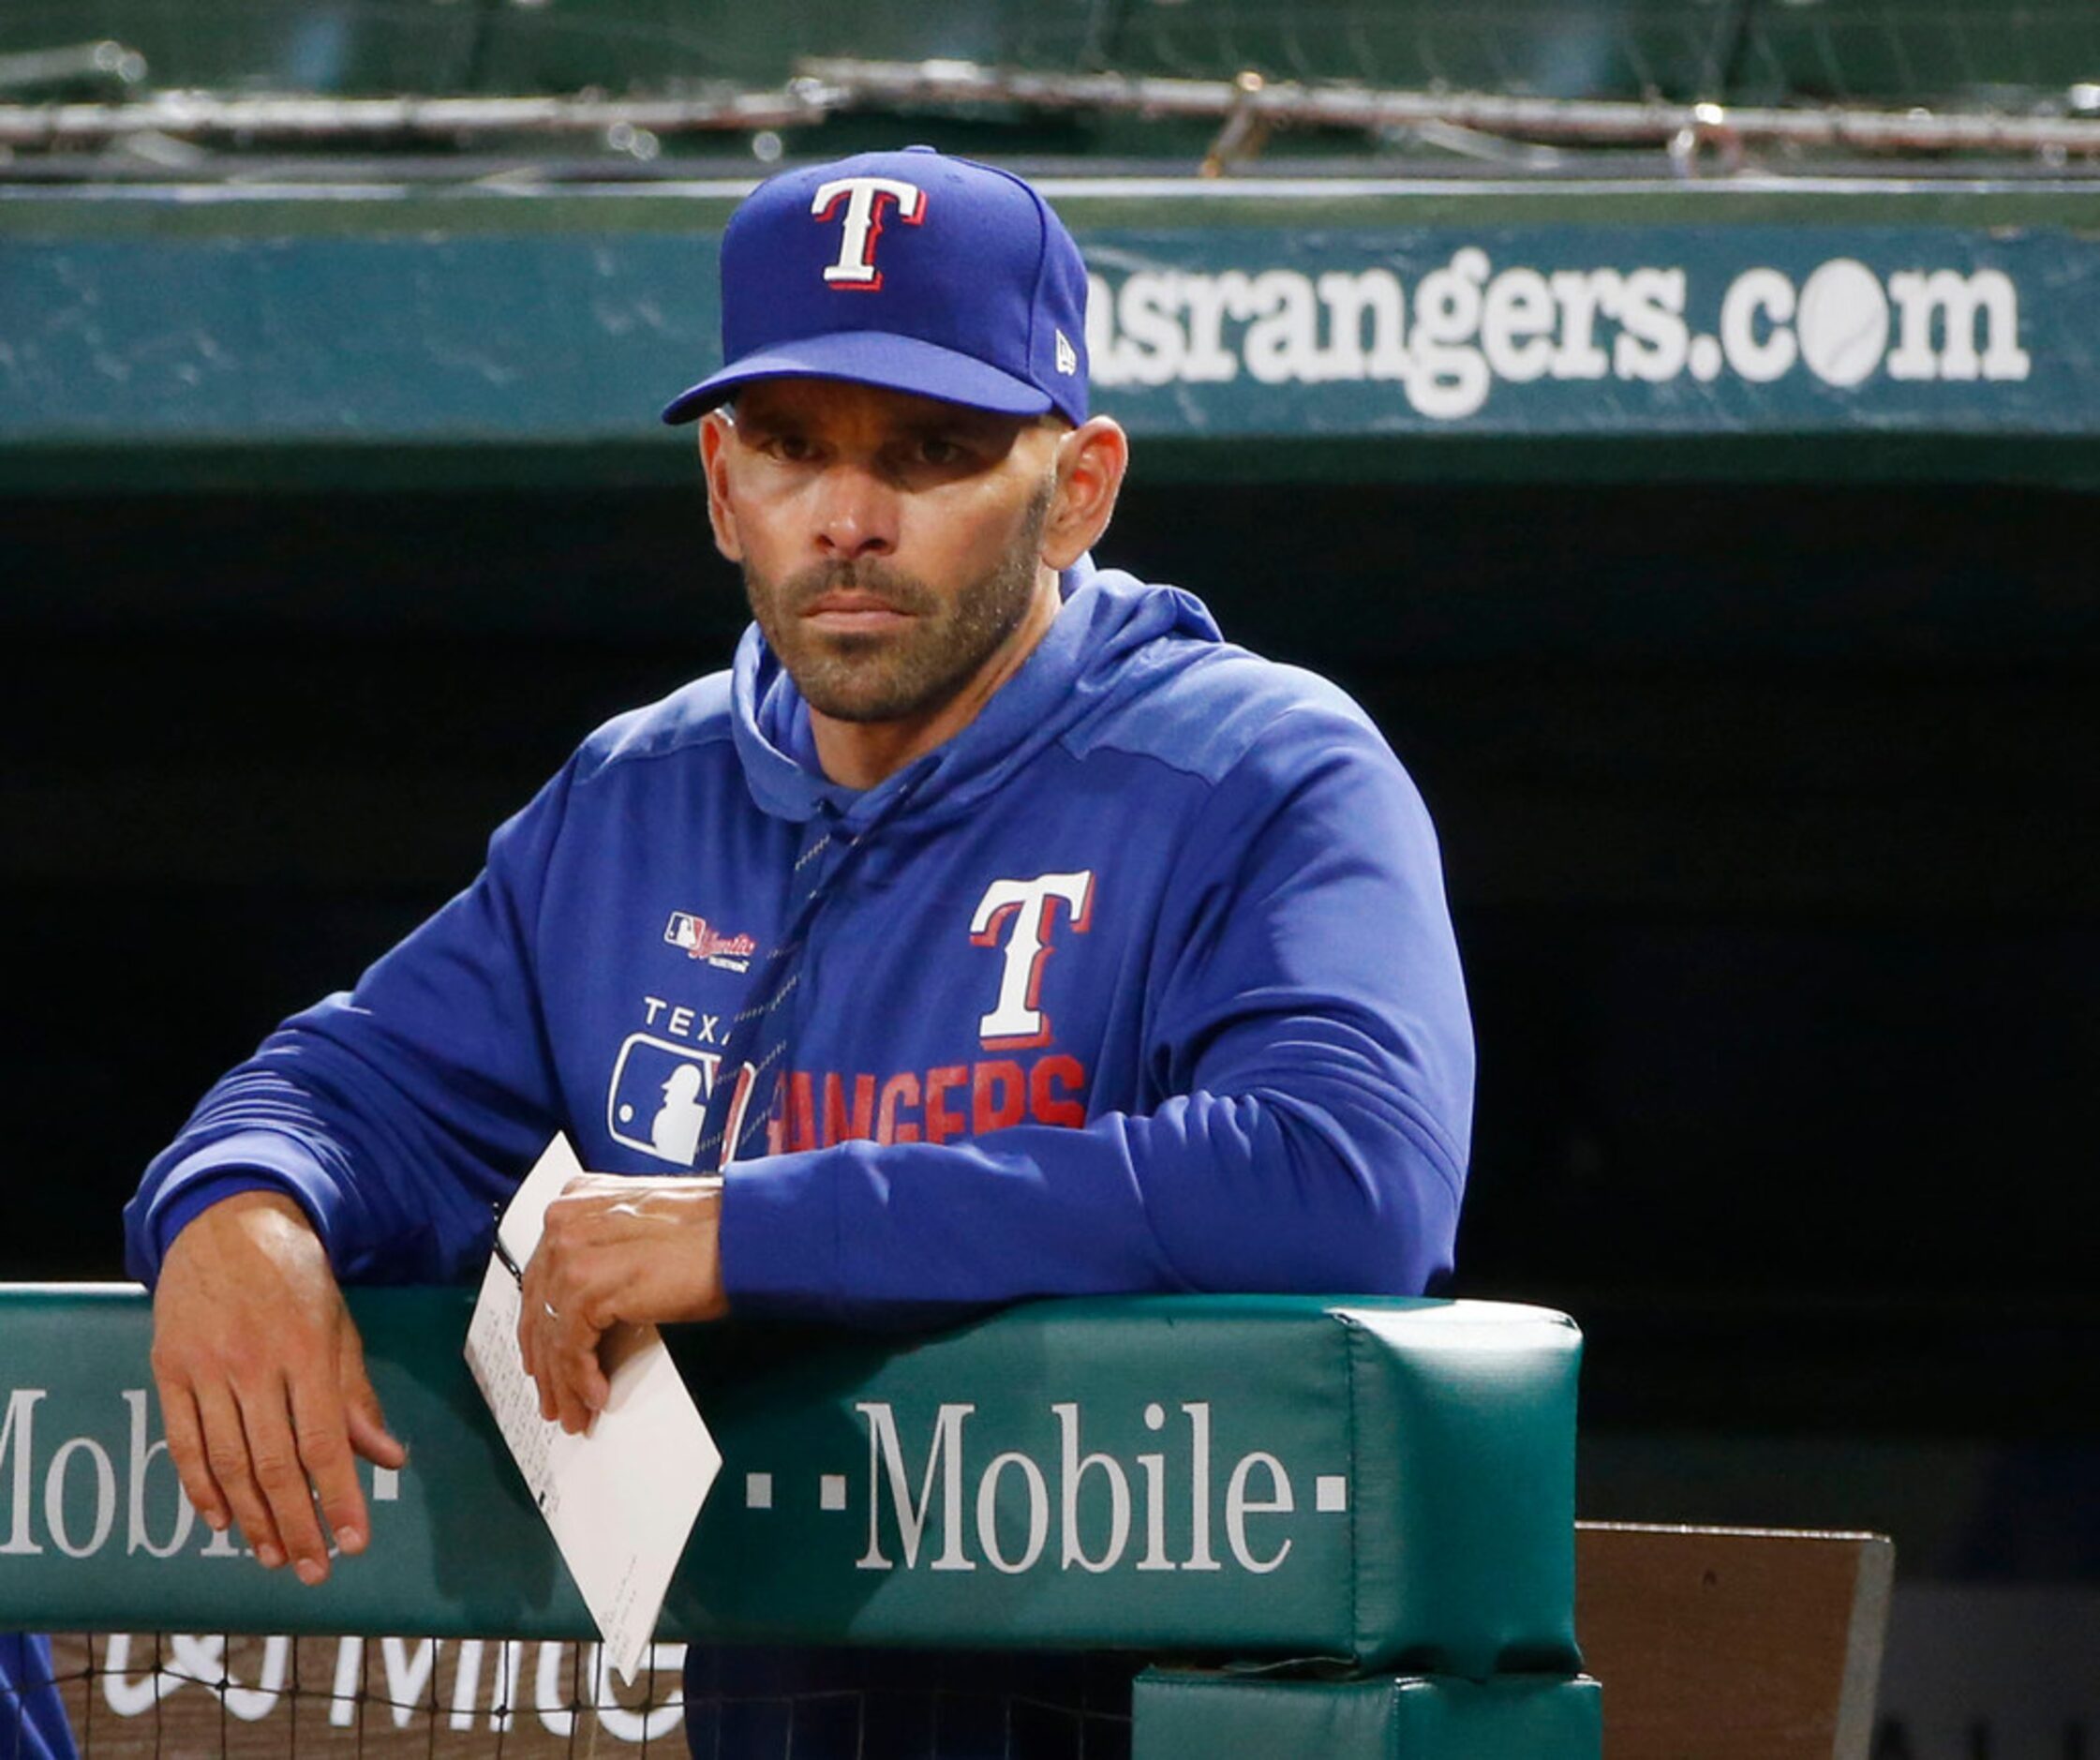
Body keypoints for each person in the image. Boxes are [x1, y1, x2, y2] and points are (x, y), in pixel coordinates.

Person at [125, 146, 1473, 1756]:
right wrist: (238, 1204)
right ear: (719, 484)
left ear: (1081, 485)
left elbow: (1346, 1184)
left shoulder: (1255, 769)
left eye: (931, 450)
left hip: (1164, 1706)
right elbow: (365, 1090)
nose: (846, 517)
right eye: (789, 447)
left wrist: (757, 1229)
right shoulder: (639, 797)